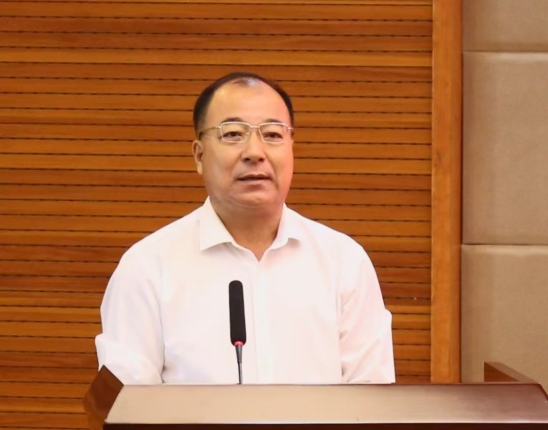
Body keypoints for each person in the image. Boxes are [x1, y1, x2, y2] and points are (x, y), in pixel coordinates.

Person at [95, 71, 395, 385]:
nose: (254, 152)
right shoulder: (147, 267)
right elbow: (125, 403)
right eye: (233, 134)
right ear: (199, 155)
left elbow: (371, 397)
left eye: (273, 134)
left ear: (292, 148)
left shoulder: (343, 262)